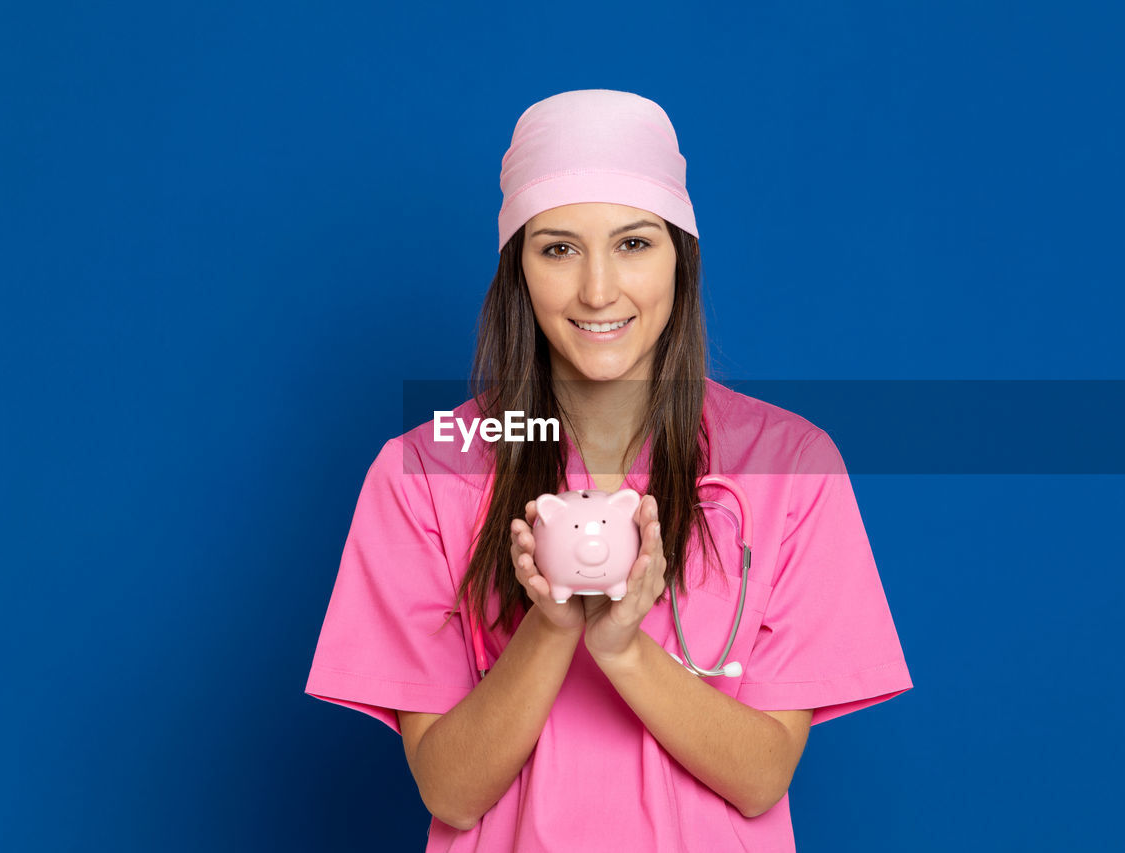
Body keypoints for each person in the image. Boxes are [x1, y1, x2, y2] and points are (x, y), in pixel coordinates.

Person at [305, 88, 913, 852]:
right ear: (517, 267)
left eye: (633, 243)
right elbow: (449, 791)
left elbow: (761, 776)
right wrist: (553, 626)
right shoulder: (424, 474)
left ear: (681, 256)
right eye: (558, 247)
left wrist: (624, 648)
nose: (598, 290)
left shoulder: (790, 466)